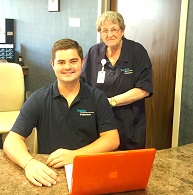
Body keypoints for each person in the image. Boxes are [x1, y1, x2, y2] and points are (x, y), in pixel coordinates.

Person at [3, 38, 120, 187]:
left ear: (82, 62)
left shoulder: (97, 97)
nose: (67, 67)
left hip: (88, 170)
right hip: (49, 174)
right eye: (61, 62)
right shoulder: (38, 99)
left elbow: (112, 139)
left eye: (73, 61)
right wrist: (29, 164)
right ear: (52, 65)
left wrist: (75, 155)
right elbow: (12, 141)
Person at [81, 11, 153, 150]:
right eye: (104, 31)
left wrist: (111, 102)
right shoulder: (93, 52)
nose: (109, 35)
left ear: (122, 31)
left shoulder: (137, 52)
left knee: (129, 165)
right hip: (99, 121)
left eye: (114, 29)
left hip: (129, 121)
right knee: (101, 162)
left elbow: (144, 89)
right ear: (100, 33)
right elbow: (83, 85)